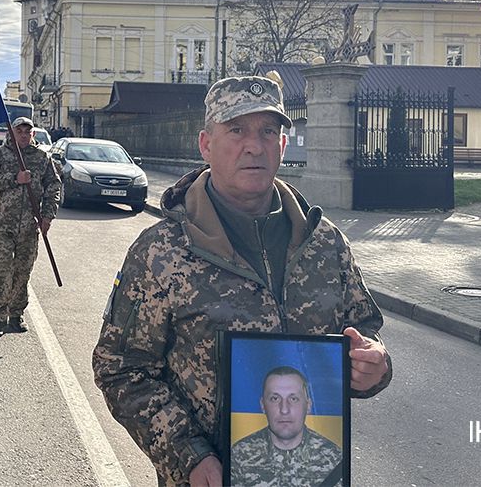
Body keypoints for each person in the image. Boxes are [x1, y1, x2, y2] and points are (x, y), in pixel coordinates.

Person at [92, 75, 392, 486]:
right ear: (205, 144)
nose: (254, 145)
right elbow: (120, 368)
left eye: (268, 131)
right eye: (236, 130)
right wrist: (188, 455)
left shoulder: (324, 243)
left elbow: (364, 329)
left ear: (283, 145)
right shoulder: (161, 252)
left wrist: (375, 366)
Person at [0, 116, 61, 337]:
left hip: (29, 227)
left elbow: (53, 185)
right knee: (2, 270)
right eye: (20, 131)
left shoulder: (42, 158)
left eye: (28, 132)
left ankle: (16, 314)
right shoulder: (0, 155)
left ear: (33, 134)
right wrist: (15, 178)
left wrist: (47, 216)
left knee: (23, 272)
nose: (24, 135)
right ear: (12, 133)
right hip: (3, 225)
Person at [230, 366, 343, 487]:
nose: (284, 409)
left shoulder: (333, 457)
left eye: (293, 399)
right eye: (275, 398)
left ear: (308, 406)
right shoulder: (239, 455)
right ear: (263, 405)